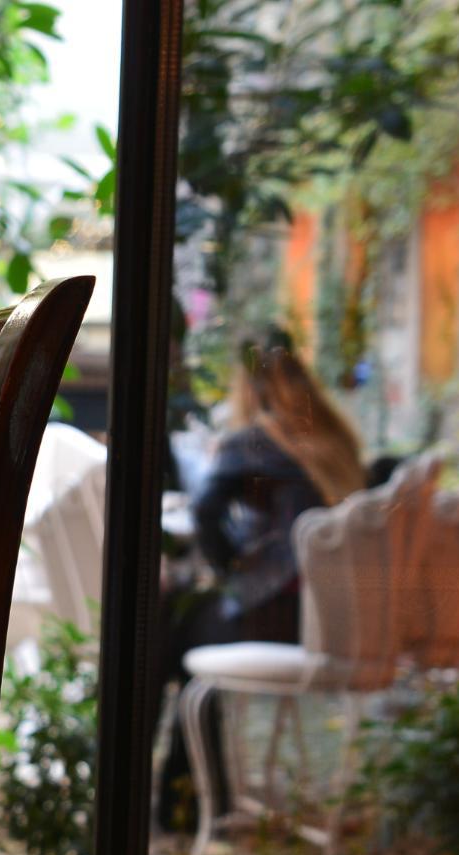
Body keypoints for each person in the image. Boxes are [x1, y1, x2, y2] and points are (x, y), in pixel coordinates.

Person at [151, 333, 367, 828]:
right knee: (183, 623)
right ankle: (185, 799)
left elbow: (204, 513)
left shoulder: (253, 442)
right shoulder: (339, 439)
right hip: (337, 622)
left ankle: (180, 800)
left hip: (283, 619)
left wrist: (229, 570)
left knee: (172, 630)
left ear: (249, 389)